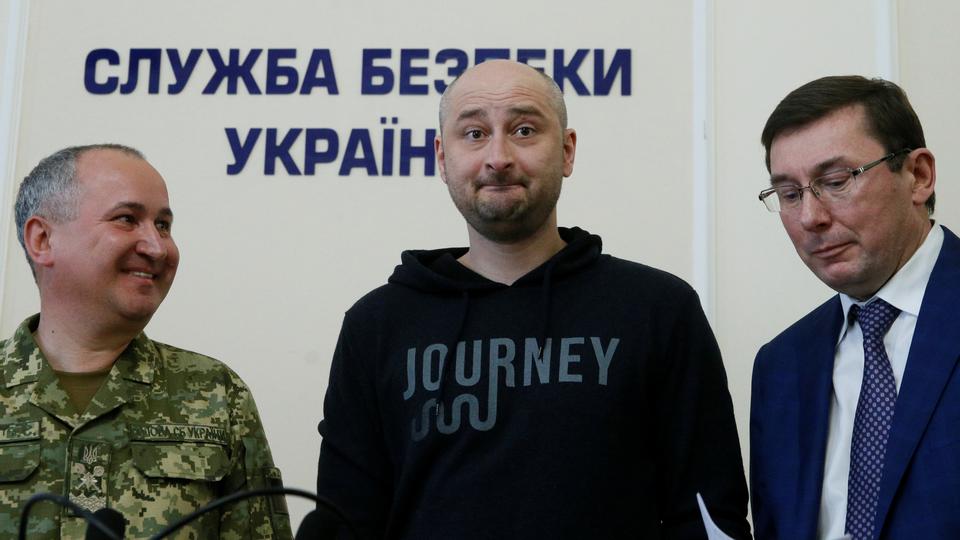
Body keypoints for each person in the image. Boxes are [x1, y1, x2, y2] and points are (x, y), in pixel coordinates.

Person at [316, 59, 750, 539]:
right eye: (475, 133)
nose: (498, 156)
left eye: (524, 130)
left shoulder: (658, 310)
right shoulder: (377, 325)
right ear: (442, 158)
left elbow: (710, 514)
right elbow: (345, 522)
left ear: (566, 151)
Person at [0, 144, 292, 538]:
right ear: (43, 239)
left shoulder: (217, 393)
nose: (157, 247)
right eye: (126, 219)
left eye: (163, 226)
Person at [750, 76, 955, 539]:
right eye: (789, 194)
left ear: (918, 175)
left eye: (836, 182)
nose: (811, 217)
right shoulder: (781, 366)